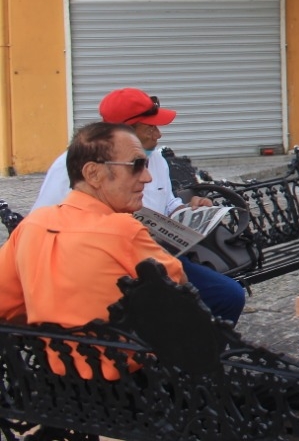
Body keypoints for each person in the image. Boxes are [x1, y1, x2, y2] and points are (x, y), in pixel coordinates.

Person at [32, 88, 245, 324]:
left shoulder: (155, 159)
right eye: (150, 127)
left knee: (226, 295)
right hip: (111, 266)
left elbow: (168, 205)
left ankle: (200, 354)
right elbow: (176, 278)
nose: (146, 178)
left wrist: (188, 210)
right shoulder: (69, 172)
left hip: (154, 256)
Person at [0, 122, 187, 377]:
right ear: (93, 174)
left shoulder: (31, 226)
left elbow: (5, 305)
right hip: (135, 391)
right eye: (136, 166)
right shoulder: (122, 230)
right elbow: (183, 302)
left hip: (55, 385)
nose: (147, 177)